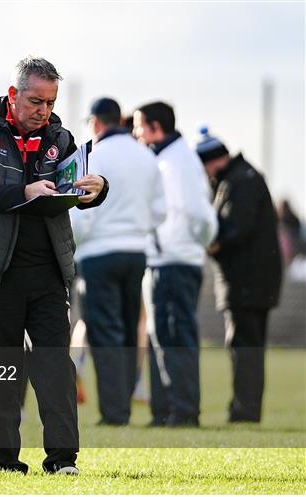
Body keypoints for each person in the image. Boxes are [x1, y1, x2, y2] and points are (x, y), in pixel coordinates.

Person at [0, 57, 108, 475]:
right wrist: (24, 192)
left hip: (47, 273)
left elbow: (76, 185)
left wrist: (97, 189)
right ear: (12, 95)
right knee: (0, 371)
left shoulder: (62, 136)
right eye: (36, 101)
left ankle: (62, 460)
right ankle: (3, 461)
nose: (44, 110)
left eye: (51, 101)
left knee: (56, 367)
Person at [70, 97, 165, 425]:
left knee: (105, 333)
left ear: (95, 123)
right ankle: (122, 406)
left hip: (97, 254)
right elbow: (160, 212)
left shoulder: (92, 156)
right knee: (128, 332)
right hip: (136, 253)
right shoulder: (146, 156)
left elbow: (82, 214)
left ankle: (114, 413)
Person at [133, 102, 217, 427]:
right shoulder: (170, 158)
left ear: (155, 127)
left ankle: (183, 412)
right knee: (161, 337)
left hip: (174, 261)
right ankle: (165, 410)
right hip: (167, 259)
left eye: (140, 126)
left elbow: (198, 214)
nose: (136, 133)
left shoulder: (176, 162)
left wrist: (191, 246)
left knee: (175, 337)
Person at [196, 127, 282, 422]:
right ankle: (245, 408)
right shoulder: (244, 176)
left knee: (244, 346)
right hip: (254, 279)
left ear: (212, 161)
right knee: (248, 345)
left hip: (246, 280)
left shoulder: (238, 181)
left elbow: (236, 228)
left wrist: (209, 244)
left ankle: (244, 411)